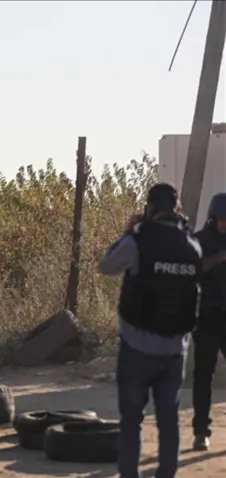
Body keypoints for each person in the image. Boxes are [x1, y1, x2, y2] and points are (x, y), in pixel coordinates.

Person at [98, 183, 202, 478]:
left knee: (131, 422)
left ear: (150, 208)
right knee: (169, 422)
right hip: (174, 351)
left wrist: (128, 231)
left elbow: (106, 265)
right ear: (176, 208)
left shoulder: (138, 241)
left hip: (137, 348)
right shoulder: (191, 245)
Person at [191, 192, 226, 451]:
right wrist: (217, 259)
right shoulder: (200, 241)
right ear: (214, 218)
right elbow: (190, 270)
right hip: (206, 317)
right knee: (204, 375)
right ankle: (201, 431)